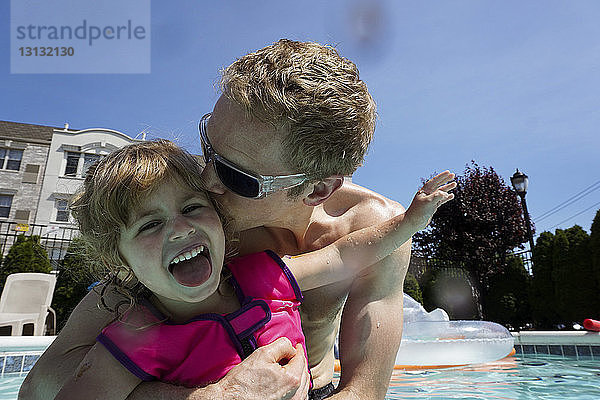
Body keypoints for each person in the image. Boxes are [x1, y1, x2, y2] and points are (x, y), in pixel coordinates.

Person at [21, 39, 437, 400]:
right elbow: (40, 386)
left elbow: (364, 391)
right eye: (208, 146)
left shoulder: (373, 229)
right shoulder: (189, 224)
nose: (205, 179)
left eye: (237, 175)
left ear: (316, 190)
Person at [50, 140, 453, 399]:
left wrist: (409, 223)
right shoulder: (134, 338)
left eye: (192, 209)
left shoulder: (264, 276)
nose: (180, 228)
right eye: (150, 225)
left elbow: (344, 255)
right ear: (119, 262)